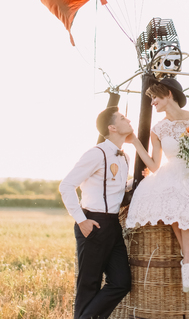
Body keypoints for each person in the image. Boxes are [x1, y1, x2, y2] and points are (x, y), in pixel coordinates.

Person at [126, 77, 189, 293]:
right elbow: (155, 165)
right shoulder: (158, 129)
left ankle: (188, 263)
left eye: (155, 97)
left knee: (183, 197)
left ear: (169, 94)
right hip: (171, 173)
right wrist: (135, 141)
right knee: (171, 197)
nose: (152, 102)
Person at [59, 107, 132, 319]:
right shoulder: (96, 153)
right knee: (88, 285)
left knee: (121, 282)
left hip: (113, 224)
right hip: (93, 222)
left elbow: (115, 189)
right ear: (112, 127)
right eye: (122, 118)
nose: (128, 120)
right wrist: (82, 221)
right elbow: (66, 185)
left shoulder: (125, 157)